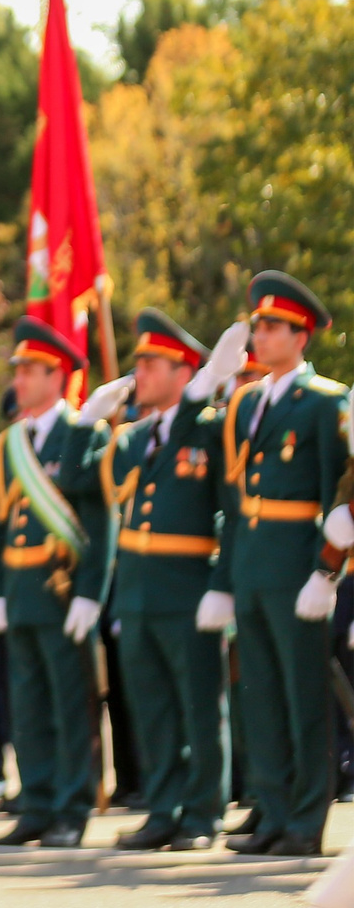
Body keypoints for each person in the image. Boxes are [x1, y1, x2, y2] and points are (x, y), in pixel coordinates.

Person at [86, 311, 246, 850]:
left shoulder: (209, 427)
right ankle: (163, 808)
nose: (140, 375)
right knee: (151, 709)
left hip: (189, 590)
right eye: (139, 363)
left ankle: (202, 814)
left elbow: (233, 511)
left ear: (186, 372)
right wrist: (84, 423)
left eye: (152, 364)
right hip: (137, 592)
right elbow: (83, 482)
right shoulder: (130, 439)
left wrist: (222, 585)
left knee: (199, 707)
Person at [206, 273, 346, 858]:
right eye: (257, 326)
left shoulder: (326, 402)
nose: (259, 336)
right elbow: (236, 500)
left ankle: (307, 819)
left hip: (297, 566)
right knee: (259, 694)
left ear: (301, 335)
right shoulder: (247, 401)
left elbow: (338, 494)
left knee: (304, 695)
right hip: (253, 566)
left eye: (271, 327)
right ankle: (273, 810)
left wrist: (327, 570)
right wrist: (224, 579)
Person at [0, 317, 112, 849]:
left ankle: (71, 807)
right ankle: (34, 803)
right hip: (20, 589)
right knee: (28, 705)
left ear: (58, 377)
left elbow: (100, 523)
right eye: (18, 370)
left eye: (31, 371)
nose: (20, 380)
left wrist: (91, 592)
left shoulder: (83, 434)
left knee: (69, 703)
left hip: (63, 590)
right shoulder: (9, 442)